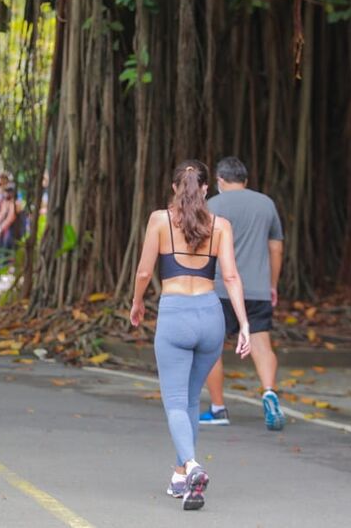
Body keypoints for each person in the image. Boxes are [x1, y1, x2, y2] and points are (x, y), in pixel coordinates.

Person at [130, 160, 251, 511]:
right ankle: (185, 479)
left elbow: (142, 271)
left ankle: (194, 466)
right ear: (206, 190)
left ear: (173, 188)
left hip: (175, 316)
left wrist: (137, 303)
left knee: (174, 402)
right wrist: (243, 324)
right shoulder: (221, 226)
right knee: (190, 401)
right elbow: (230, 278)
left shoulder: (160, 220)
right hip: (211, 317)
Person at [200, 156, 286, 430]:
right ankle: (269, 391)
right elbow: (276, 248)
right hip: (258, 289)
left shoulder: (211, 205)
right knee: (262, 344)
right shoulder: (266, 204)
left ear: (220, 181)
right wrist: (272, 284)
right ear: (245, 180)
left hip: (221, 289)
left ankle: (218, 408)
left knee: (211, 348)